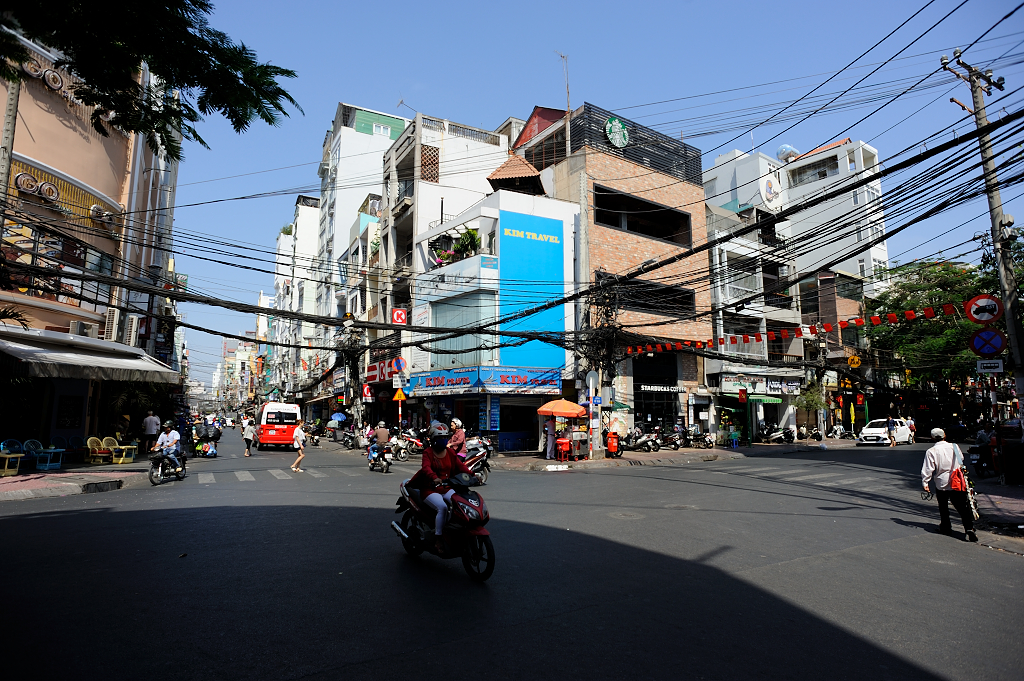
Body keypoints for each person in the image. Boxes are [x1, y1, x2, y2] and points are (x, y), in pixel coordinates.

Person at [409, 422, 474, 553]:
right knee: (442, 507)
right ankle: (438, 538)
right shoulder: (428, 453)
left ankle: (452, 531)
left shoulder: (450, 452)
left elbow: (460, 466)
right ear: (433, 439)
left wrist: (473, 475)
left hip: (446, 487)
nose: (443, 440)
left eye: (445, 437)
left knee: (459, 503)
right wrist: (434, 477)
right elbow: (426, 468)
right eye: (439, 438)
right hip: (429, 489)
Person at [922, 428, 977, 542]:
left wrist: (925, 482)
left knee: (943, 506)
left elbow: (928, 469)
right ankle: (969, 528)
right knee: (963, 507)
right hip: (957, 481)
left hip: (942, 482)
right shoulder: (954, 446)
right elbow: (961, 459)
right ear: (944, 435)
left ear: (932, 438)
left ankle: (946, 527)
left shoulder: (931, 451)